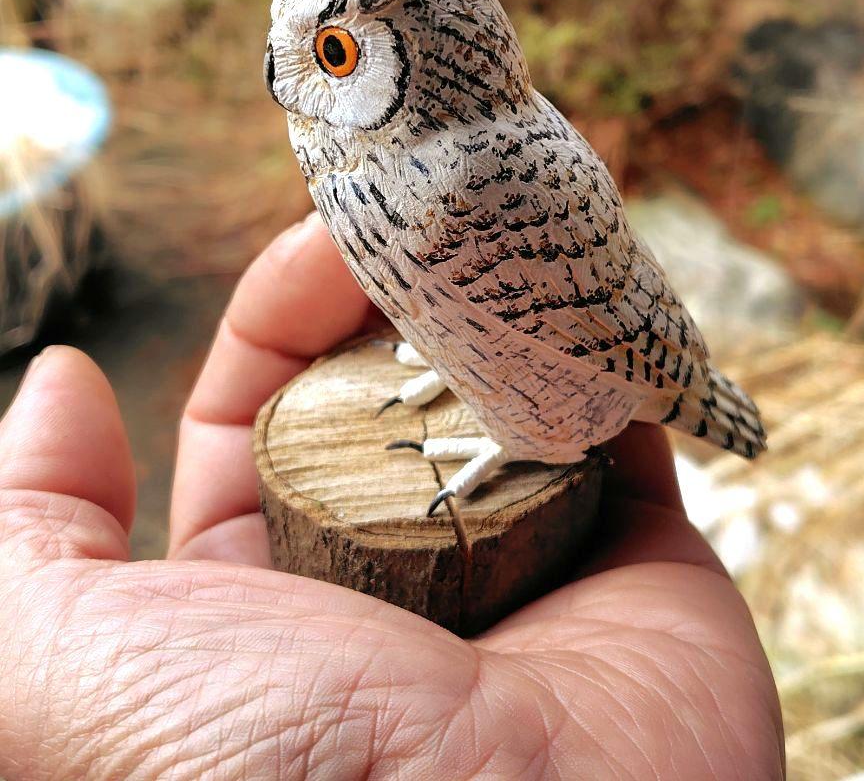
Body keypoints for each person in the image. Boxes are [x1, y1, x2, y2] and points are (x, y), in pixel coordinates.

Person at [0, 214, 784, 779]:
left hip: (590, 381)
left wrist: (518, 425)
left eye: (334, 51)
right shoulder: (371, 173)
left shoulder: (465, 177)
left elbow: (575, 321)